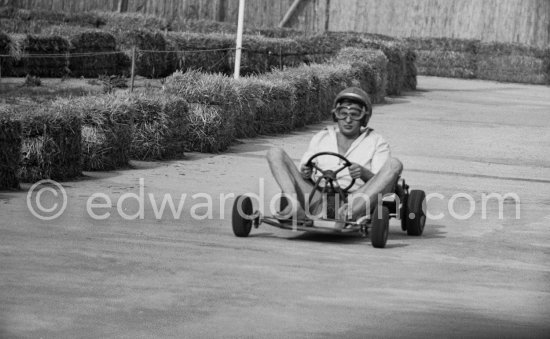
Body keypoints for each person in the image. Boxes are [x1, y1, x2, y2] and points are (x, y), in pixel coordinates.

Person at [266, 86, 403, 225]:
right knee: (275, 152)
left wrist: (363, 173)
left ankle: (348, 215)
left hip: (355, 199)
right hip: (316, 196)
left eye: (355, 114)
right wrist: (306, 171)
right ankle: (294, 206)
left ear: (364, 117)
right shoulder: (321, 137)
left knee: (394, 164)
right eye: (343, 113)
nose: (348, 120)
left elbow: (382, 183)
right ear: (335, 115)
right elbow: (304, 170)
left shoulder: (376, 141)